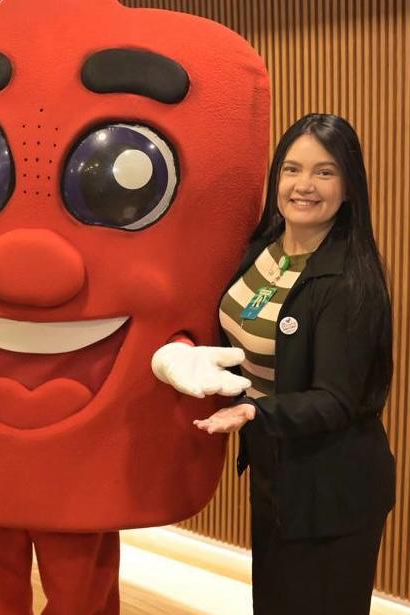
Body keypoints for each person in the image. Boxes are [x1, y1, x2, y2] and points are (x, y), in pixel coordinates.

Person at [156, 114, 395, 614]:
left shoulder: (346, 281)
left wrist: (254, 412)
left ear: (349, 187)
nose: (304, 186)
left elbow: (335, 400)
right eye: (292, 169)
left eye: (325, 173)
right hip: (275, 468)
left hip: (331, 487)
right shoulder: (263, 249)